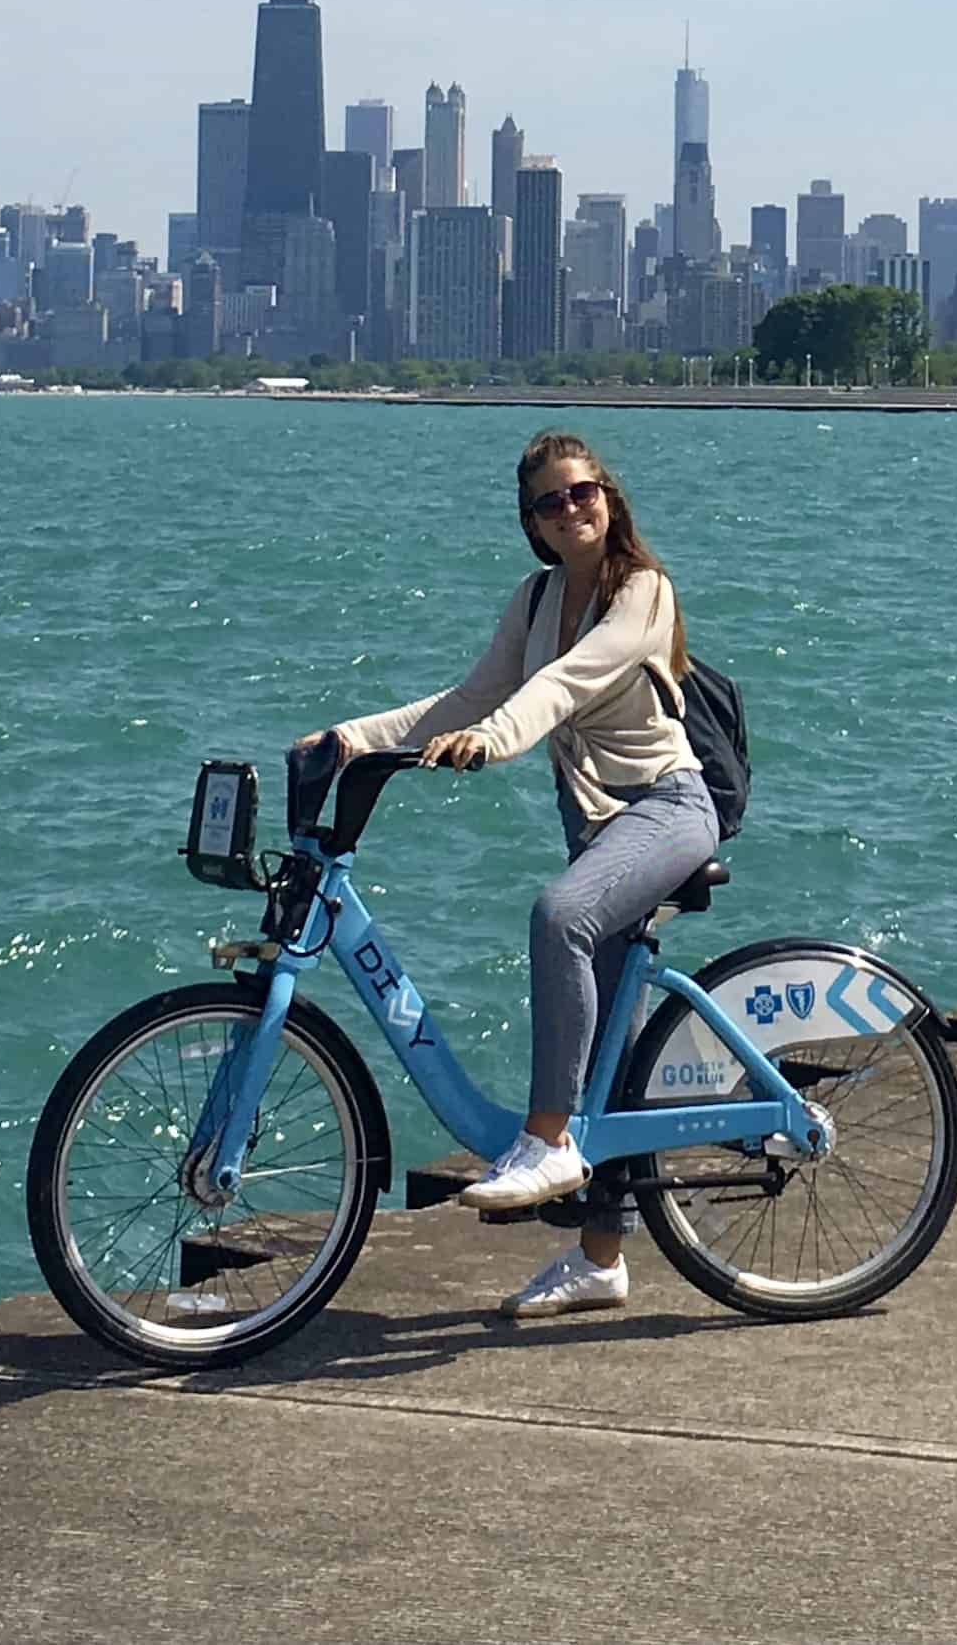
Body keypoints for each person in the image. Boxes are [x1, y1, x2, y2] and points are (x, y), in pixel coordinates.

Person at [300, 430, 719, 1320]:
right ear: (530, 524)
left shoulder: (642, 591)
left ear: (608, 497)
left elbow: (565, 686)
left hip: (668, 810)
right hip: (601, 831)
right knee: (617, 1059)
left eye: (583, 492)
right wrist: (354, 738)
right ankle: (601, 1260)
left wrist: (493, 743)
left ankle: (546, 1139)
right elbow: (466, 698)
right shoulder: (533, 601)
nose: (571, 509)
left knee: (558, 917)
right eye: (550, 502)